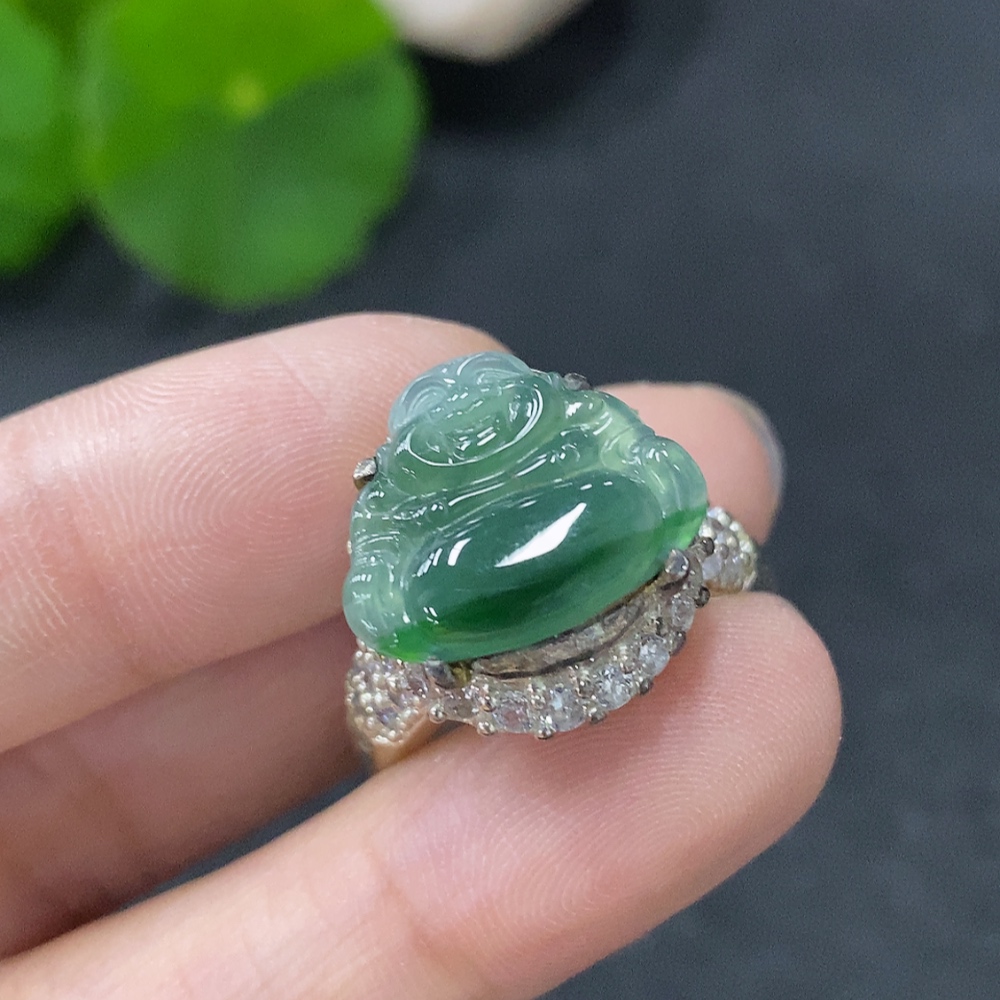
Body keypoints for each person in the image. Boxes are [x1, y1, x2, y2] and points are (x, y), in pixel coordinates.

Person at [0, 313, 841, 998]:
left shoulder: (574, 420)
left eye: (492, 405)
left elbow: (669, 478)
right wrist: (409, 669)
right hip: (467, 630)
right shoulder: (399, 492)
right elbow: (377, 609)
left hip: (617, 548)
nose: (474, 426)